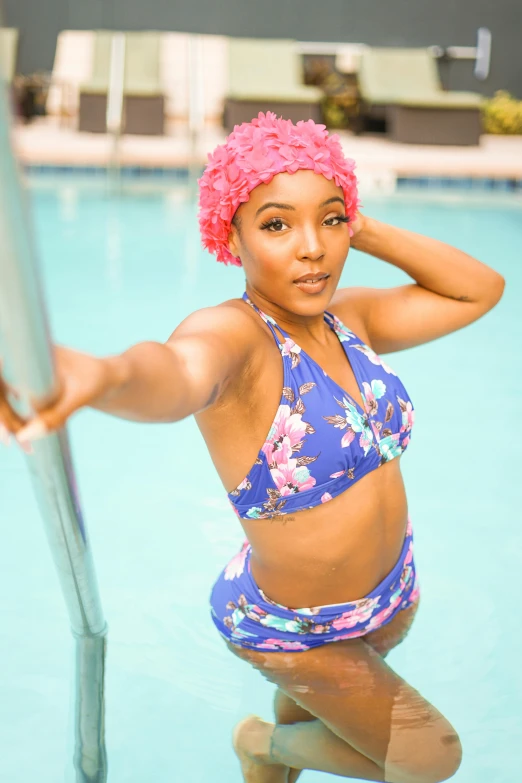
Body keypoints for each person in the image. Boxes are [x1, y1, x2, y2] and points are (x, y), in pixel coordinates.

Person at [0, 113, 504, 782]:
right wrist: (100, 376)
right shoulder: (237, 341)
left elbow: (480, 289)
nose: (312, 249)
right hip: (293, 630)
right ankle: (265, 744)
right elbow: (175, 371)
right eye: (275, 224)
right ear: (230, 236)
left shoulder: (351, 318)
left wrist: (362, 223)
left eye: (328, 220)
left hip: (386, 599)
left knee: (331, 718)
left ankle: (274, 762)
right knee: (430, 754)